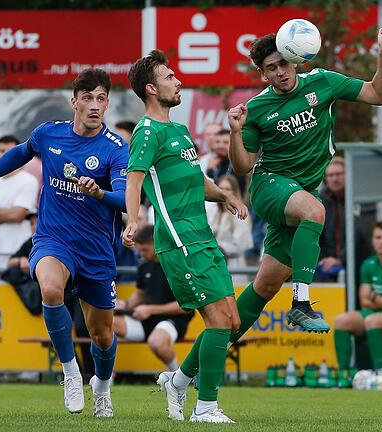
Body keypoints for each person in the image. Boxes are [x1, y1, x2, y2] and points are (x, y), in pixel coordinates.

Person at [0, 68, 128, 417]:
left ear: (106, 103)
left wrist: (100, 192)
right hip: (53, 239)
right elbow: (20, 153)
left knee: (102, 334)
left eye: (101, 98)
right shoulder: (49, 134)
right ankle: (71, 372)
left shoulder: (116, 149)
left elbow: (125, 199)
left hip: (96, 251)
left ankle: (102, 388)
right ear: (73, 101)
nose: (94, 105)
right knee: (50, 290)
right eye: (87, 98)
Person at [226, 26, 382, 332]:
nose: (279, 72)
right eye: (271, 68)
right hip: (269, 186)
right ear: (263, 75)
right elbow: (243, 167)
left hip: (300, 192)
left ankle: (184, 373)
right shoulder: (255, 109)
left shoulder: (323, 82)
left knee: (265, 286)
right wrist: (236, 132)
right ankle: (301, 303)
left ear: (294, 59)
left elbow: (379, 94)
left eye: (283, 63)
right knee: (315, 210)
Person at [125, 50, 247, 424]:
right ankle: (206, 407)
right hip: (179, 239)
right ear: (151, 88)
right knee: (217, 322)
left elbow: (197, 181)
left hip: (204, 236)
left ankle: (177, 382)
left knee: (233, 322)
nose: (178, 81)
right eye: (169, 76)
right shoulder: (146, 132)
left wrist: (225, 195)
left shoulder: (178, 131)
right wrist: (132, 220)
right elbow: (134, 179)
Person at [332, 220, 382, 381]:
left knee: (372, 320)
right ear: (372, 240)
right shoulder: (368, 264)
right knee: (342, 320)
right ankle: (344, 375)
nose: (381, 242)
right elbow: (364, 301)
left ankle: (381, 375)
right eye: (377, 238)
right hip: (374, 312)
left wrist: (375, 297)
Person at [113, 225, 194, 371]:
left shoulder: (178, 266)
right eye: (139, 250)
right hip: (146, 320)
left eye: (144, 250)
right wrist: (125, 305)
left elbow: (187, 306)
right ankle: (104, 377)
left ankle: (178, 376)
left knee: (156, 342)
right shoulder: (144, 267)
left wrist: (150, 309)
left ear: (156, 243)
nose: (141, 254)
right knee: (104, 323)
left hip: (174, 321)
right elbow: (140, 294)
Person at [0, 135, 39, 270]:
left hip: (18, 251)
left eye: (10, 151)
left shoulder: (28, 180)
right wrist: (9, 214)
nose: (5, 155)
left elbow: (17, 215)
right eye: (2, 151)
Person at [207, 175, 252, 284]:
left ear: (234, 191)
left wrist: (219, 247)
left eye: (228, 189)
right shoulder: (213, 213)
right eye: (221, 189)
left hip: (233, 266)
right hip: (214, 264)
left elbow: (241, 245)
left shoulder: (239, 213)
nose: (224, 192)